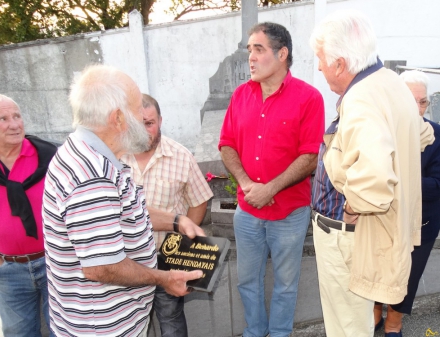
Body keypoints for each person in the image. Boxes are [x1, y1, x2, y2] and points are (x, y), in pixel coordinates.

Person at [42, 64, 205, 337]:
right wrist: (164, 279)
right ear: (118, 118)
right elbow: (103, 267)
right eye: (138, 107)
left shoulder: (95, 155)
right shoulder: (92, 177)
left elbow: (129, 211)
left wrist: (177, 220)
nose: (144, 115)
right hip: (103, 328)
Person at [309, 10, 435, 337]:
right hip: (361, 233)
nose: (319, 66)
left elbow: (374, 184)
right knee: (357, 324)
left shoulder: (362, 98)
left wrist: (353, 206)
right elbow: (423, 134)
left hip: (347, 234)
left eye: (321, 59)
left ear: (340, 63)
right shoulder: (390, 81)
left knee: (348, 328)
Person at [219, 22, 325, 336]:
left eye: (258, 49)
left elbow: (310, 157)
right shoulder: (240, 95)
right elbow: (226, 144)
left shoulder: (309, 98)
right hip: (248, 211)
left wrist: (271, 189)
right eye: (249, 49)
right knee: (246, 281)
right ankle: (255, 331)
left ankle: (279, 333)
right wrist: (246, 183)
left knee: (286, 284)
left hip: (290, 213)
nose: (250, 57)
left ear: (282, 54)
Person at [122, 94, 213, 337]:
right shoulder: (114, 157)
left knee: (171, 322)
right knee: (127, 325)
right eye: (137, 124)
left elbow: (199, 200)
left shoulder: (181, 156)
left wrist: (184, 249)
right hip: (124, 262)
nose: (143, 131)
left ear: (160, 120)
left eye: (149, 123)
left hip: (166, 257)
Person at [373, 70, 440, 335]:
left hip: (423, 220)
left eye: (422, 101)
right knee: (380, 267)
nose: (417, 107)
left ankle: (394, 321)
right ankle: (376, 312)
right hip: (384, 217)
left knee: (409, 275)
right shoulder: (382, 132)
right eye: (411, 99)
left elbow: (437, 186)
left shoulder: (436, 136)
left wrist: (400, 181)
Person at [0, 94, 56, 337]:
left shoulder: (49, 156)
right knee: (18, 333)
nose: (15, 124)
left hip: (55, 263)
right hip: (8, 270)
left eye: (17, 116)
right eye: (3, 119)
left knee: (66, 331)